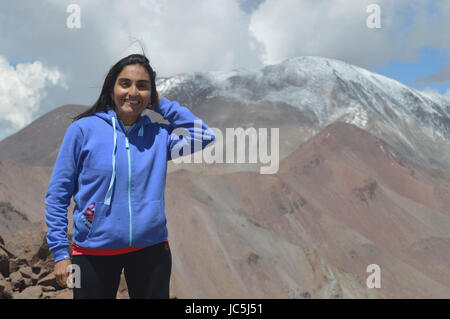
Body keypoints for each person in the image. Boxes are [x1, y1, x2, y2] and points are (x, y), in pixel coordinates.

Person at [44, 53, 215, 299]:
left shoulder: (159, 136)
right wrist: (61, 253)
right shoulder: (83, 130)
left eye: (142, 86)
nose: (133, 92)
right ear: (111, 87)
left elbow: (205, 136)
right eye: (125, 84)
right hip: (92, 252)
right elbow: (58, 195)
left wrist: (160, 103)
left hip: (151, 250)